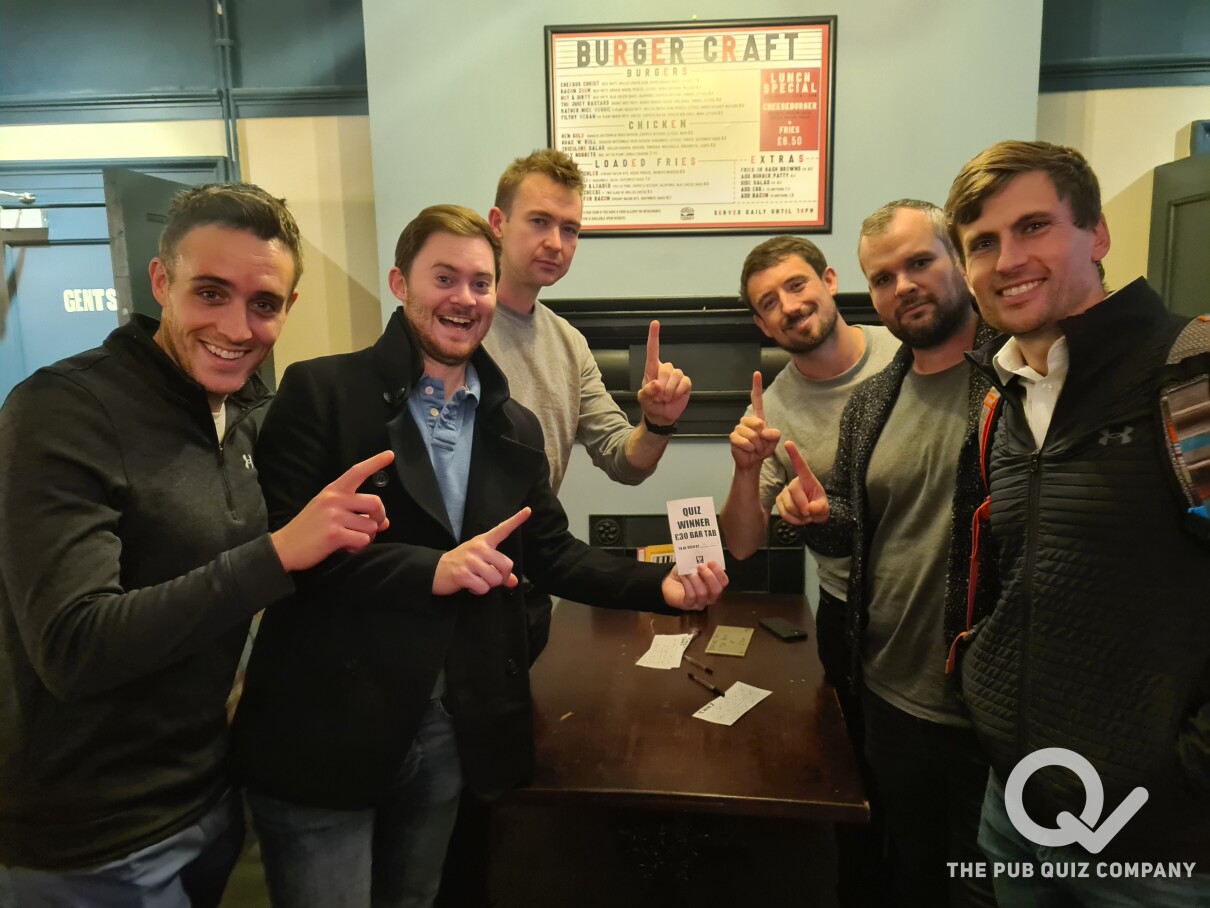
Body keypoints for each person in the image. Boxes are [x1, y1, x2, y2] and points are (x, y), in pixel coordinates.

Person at [230, 204, 727, 908]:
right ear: (400, 283)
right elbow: (285, 553)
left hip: (449, 724)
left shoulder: (511, 421)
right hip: (328, 727)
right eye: (444, 278)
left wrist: (661, 586)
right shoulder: (321, 392)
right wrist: (430, 569)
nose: (464, 298)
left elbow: (550, 552)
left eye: (480, 282)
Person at [0, 183, 391, 906]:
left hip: (209, 797)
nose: (237, 328)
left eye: (263, 303)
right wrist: (278, 554)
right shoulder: (63, 410)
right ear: (161, 282)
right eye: (210, 293)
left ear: (288, 307)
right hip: (92, 835)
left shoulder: (244, 413)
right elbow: (72, 646)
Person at [947, 139, 1210, 905]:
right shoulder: (1002, 400)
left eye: (1033, 226)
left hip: (1152, 843)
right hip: (1017, 802)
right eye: (982, 243)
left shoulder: (1192, 375)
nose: (1007, 260)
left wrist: (1185, 771)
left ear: (1096, 234)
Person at [779, 201, 1000, 907]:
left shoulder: (1019, 376)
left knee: (986, 886)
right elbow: (854, 529)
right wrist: (818, 518)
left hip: (993, 708)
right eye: (882, 278)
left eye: (919, 263)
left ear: (958, 259)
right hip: (889, 690)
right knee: (910, 871)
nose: (902, 286)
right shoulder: (874, 400)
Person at [718, 235, 896, 905]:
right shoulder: (773, 409)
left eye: (797, 286)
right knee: (857, 783)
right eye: (769, 303)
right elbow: (741, 545)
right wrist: (745, 469)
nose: (789, 306)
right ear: (762, 325)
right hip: (847, 615)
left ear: (829, 280)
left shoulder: (906, 354)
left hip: (941, 604)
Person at [482, 148, 691, 660]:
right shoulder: (458, 326)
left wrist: (657, 424)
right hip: (452, 579)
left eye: (570, 229)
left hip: (533, 575)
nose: (556, 243)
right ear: (498, 224)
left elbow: (624, 461)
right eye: (539, 221)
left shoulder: (569, 344)